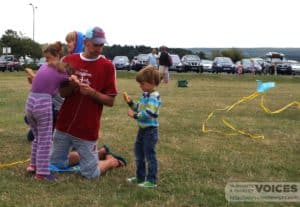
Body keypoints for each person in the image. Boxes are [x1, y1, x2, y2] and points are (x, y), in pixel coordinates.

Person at [50, 26, 124, 179]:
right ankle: (100, 153)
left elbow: (110, 101)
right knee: (56, 164)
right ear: (85, 42)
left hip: (87, 128)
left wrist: (92, 93)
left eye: (101, 45)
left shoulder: (107, 66)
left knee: (90, 174)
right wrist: (71, 86)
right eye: (95, 44)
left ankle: (112, 161)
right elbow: (62, 93)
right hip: (64, 125)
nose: (99, 48)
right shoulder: (69, 60)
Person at [25, 42, 69, 180]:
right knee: (45, 140)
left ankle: (33, 165)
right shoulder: (60, 70)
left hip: (30, 102)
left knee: (37, 137)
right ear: (59, 56)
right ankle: (42, 174)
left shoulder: (43, 67)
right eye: (47, 59)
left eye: (48, 58)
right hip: (43, 104)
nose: (47, 61)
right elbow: (68, 82)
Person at [125, 65, 161, 188]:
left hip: (150, 132)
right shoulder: (145, 95)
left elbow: (149, 114)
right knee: (139, 155)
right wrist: (130, 103)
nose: (140, 85)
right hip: (142, 130)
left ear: (152, 83)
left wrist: (134, 116)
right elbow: (138, 108)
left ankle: (151, 180)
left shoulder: (154, 97)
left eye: (142, 83)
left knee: (149, 156)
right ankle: (140, 177)